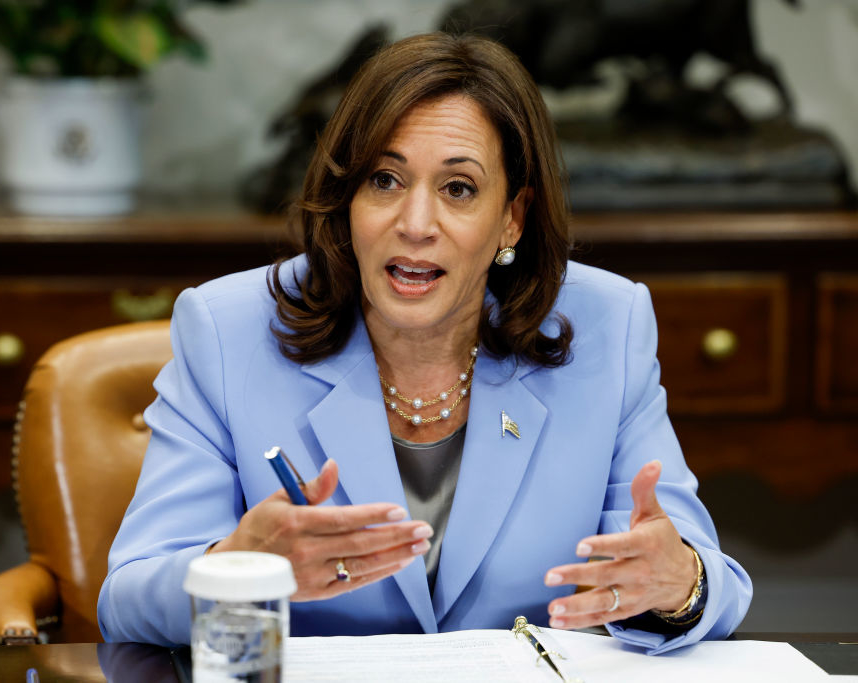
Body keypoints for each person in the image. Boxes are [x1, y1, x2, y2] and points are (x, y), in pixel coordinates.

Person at [98, 32, 751, 654]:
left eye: (458, 188)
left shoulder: (606, 326)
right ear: (347, 196)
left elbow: (705, 580)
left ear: (512, 217)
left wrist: (677, 584)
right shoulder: (226, 330)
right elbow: (127, 596)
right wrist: (236, 566)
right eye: (385, 179)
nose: (415, 224)